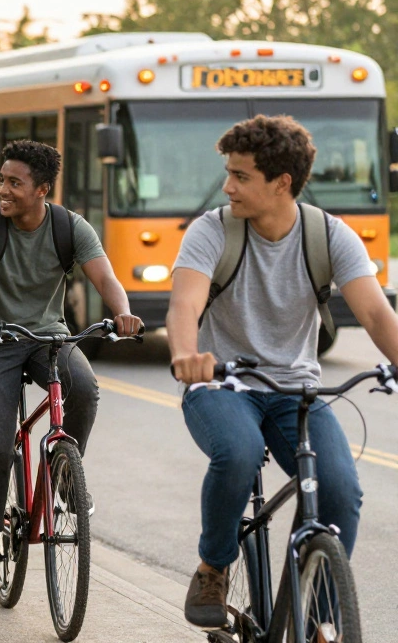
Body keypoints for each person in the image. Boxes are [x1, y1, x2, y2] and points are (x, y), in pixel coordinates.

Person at [167, 115, 398, 628]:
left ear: (282, 183)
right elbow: (184, 305)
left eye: (241, 176)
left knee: (340, 491)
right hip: (220, 382)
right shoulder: (212, 231)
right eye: (227, 173)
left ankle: (320, 622)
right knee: (239, 452)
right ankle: (213, 566)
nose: (227, 186)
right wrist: (188, 355)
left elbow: (378, 314)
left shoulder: (328, 235)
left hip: (296, 390)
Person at [0, 139, 141, 590]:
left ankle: (63, 475)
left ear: (41, 189)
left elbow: (106, 277)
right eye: (1, 179)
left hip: (48, 337)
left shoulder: (69, 227)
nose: (2, 189)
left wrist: (123, 313)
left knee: (85, 388)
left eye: (14, 183)